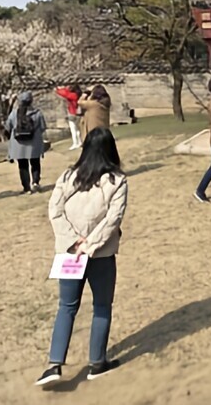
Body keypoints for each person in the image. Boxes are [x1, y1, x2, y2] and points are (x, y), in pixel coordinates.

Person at [36, 127, 128, 387]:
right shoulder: (117, 180)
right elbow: (113, 219)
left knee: (66, 307)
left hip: (70, 251)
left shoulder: (69, 176)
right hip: (99, 253)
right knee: (101, 306)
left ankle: (54, 364)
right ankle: (97, 362)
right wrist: (89, 244)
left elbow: (55, 210)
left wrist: (75, 241)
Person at [6, 91, 49, 194]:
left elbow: (8, 126)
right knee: (35, 163)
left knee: (22, 165)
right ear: (31, 101)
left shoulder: (14, 113)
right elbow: (43, 127)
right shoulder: (37, 113)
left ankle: (26, 187)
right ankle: (35, 182)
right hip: (34, 143)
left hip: (18, 144)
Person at [55, 85, 83, 150]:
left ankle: (75, 143)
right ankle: (79, 142)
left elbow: (64, 94)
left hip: (73, 113)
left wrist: (58, 89)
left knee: (73, 129)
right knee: (78, 129)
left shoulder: (73, 95)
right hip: (78, 114)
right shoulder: (79, 94)